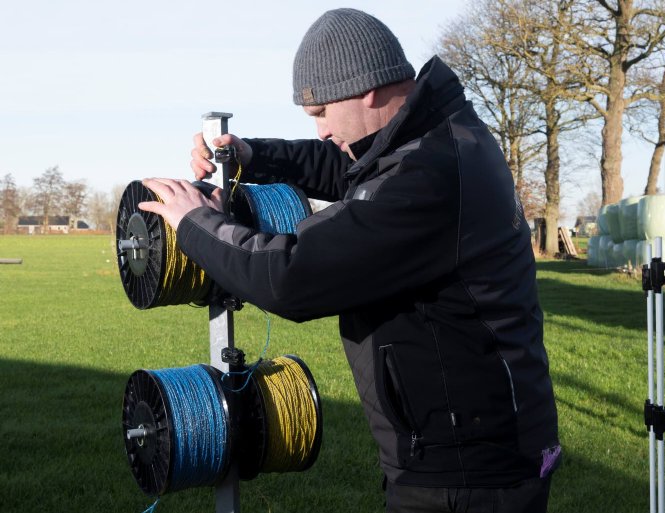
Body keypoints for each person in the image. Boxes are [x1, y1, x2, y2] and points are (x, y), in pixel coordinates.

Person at [139, 7, 560, 513]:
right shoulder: (435, 139)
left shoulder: (430, 176)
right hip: (468, 449)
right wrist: (255, 155)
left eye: (320, 113)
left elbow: (290, 278)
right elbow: (346, 166)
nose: (318, 130)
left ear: (366, 88)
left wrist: (194, 223)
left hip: (465, 475)